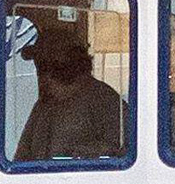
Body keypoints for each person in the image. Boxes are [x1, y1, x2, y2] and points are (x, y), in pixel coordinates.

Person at [13, 34, 125, 163]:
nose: (39, 72)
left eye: (44, 64)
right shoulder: (44, 104)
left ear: (66, 65)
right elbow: (22, 155)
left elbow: (125, 152)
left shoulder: (104, 100)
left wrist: (89, 154)